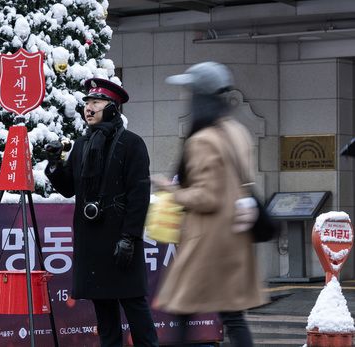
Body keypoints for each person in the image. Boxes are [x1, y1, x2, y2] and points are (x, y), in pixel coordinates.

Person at [152, 62, 267, 347]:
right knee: (232, 315)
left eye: (190, 92)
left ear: (201, 97)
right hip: (234, 237)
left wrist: (172, 190)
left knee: (180, 307)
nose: (185, 98)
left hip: (206, 241)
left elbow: (207, 197)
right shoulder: (236, 131)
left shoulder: (202, 140)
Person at [44, 78, 159, 347]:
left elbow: (139, 195)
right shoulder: (82, 144)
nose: (89, 107)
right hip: (92, 241)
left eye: (96, 102)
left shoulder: (132, 143)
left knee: (136, 310)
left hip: (121, 241)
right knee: (105, 320)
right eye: (87, 102)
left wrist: (130, 237)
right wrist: (54, 165)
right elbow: (69, 188)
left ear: (112, 108)